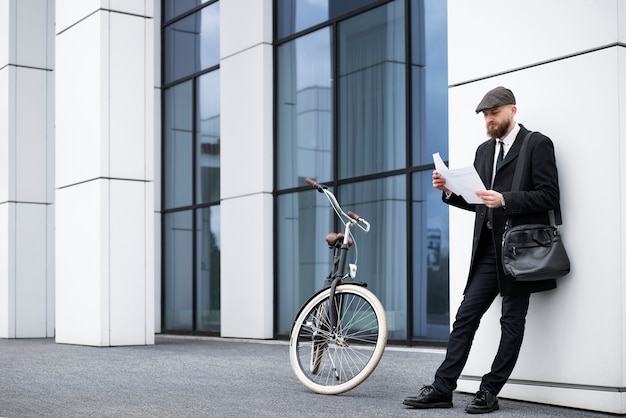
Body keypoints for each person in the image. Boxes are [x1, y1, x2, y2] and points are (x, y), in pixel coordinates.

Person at [403, 86, 561, 414]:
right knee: (465, 317)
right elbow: (479, 202)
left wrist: (507, 199)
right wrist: (449, 191)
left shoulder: (537, 144)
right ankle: (443, 388)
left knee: (511, 320)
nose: (489, 119)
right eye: (485, 115)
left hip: (521, 250)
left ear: (512, 111)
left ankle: (489, 390)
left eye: (494, 112)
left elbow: (550, 196)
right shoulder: (483, 151)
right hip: (489, 250)